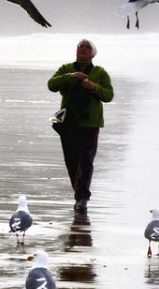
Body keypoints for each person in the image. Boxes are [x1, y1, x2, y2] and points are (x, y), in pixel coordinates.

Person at [47, 39, 113, 207]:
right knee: (72, 161)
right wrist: (71, 77)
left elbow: (108, 95)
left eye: (86, 47)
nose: (83, 49)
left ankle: (82, 198)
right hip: (68, 123)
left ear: (93, 53)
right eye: (80, 47)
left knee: (86, 161)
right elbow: (51, 85)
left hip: (91, 123)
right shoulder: (66, 69)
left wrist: (92, 86)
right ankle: (79, 194)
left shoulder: (100, 72)